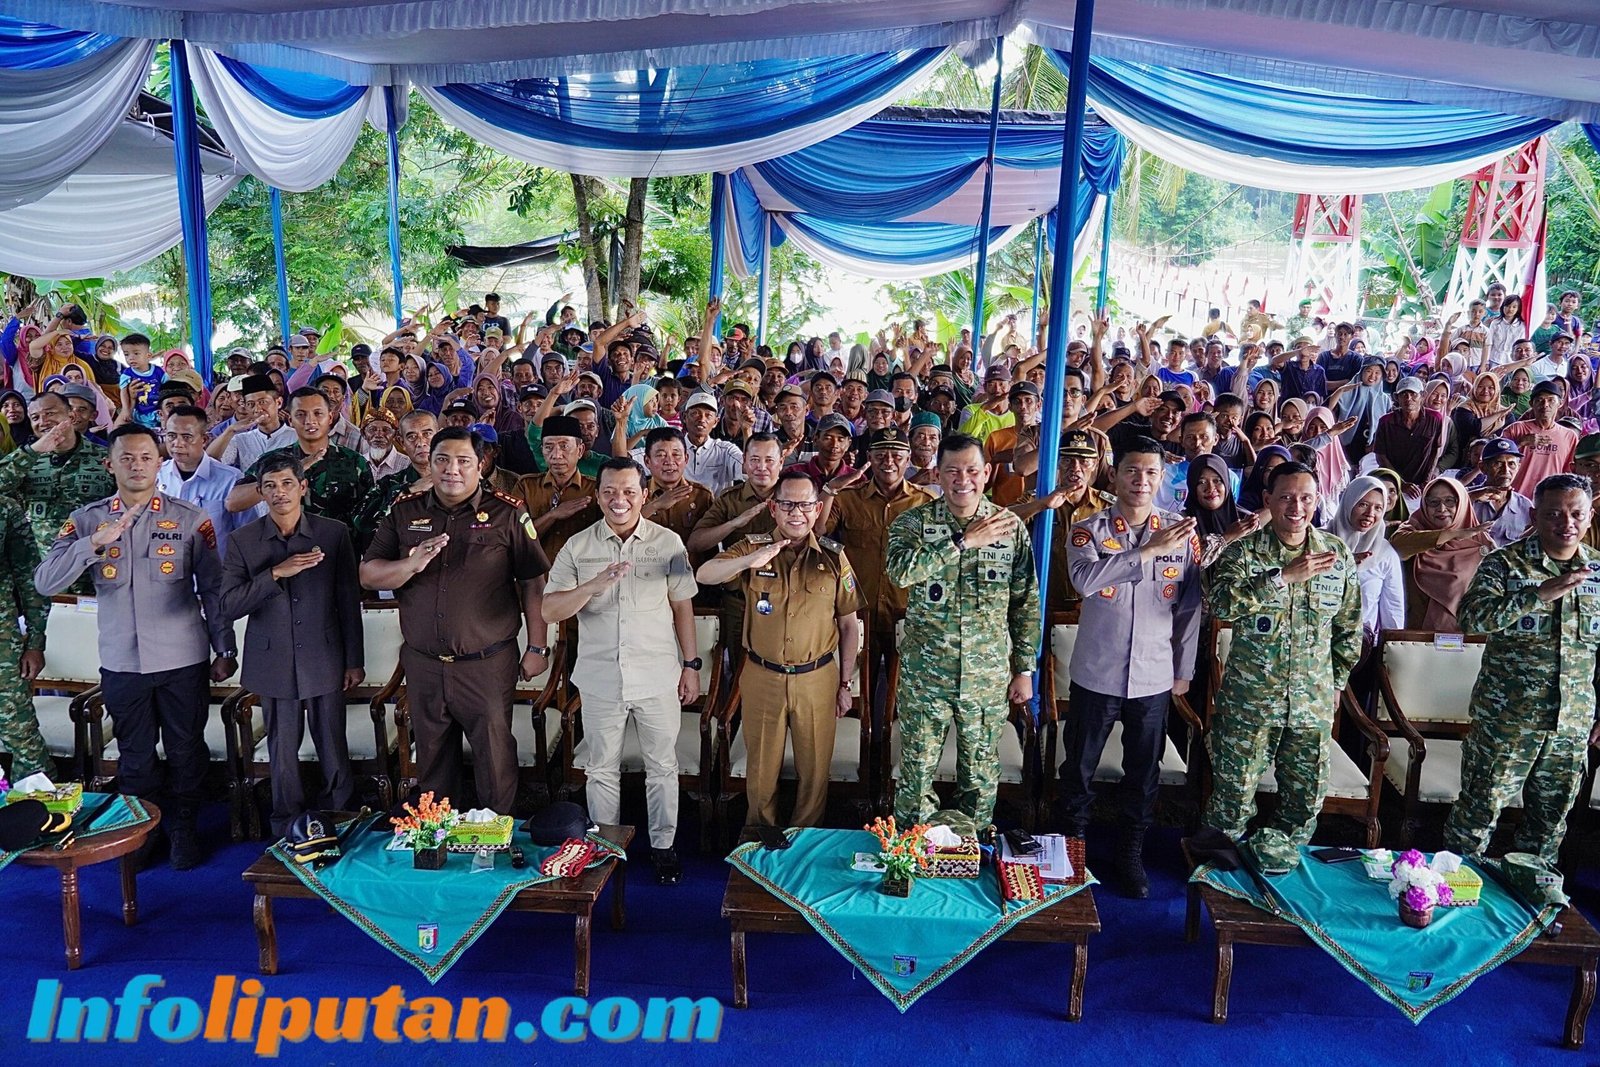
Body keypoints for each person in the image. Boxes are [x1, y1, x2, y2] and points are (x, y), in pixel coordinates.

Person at [34, 425, 236, 870]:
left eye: (146, 457)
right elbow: (45, 581)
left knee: (185, 748)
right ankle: (142, 830)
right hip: (122, 661)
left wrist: (225, 648)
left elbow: (214, 588)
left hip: (182, 656)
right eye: (127, 457)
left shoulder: (189, 518)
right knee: (135, 754)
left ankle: (184, 826)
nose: (137, 465)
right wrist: (92, 544)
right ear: (110, 465)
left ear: (159, 462)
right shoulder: (86, 519)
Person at [360, 427, 550, 815]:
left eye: (464, 461)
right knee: (431, 760)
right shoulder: (404, 511)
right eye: (442, 459)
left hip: (486, 662)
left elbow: (533, 582)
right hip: (424, 662)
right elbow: (368, 573)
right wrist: (410, 564)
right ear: (428, 464)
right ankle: (440, 842)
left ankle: (493, 845)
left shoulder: (508, 512)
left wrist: (537, 646)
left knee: (494, 758)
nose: (452, 470)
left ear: (481, 465)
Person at [542, 457, 699, 884]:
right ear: (597, 496)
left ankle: (663, 847)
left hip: (657, 675)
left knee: (663, 766)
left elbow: (682, 604)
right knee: (601, 768)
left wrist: (691, 665)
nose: (619, 500)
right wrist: (592, 586)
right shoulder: (578, 547)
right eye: (610, 491)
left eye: (630, 491)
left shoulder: (668, 543)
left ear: (645, 496)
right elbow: (550, 608)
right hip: (600, 678)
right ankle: (606, 848)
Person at [1060, 438, 1203, 897]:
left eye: (1150, 473)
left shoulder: (1181, 536)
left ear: (1161, 478)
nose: (1141, 481)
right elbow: (1083, 581)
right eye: (1131, 471)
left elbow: (1188, 608)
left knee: (1143, 772)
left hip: (1154, 675)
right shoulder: (1088, 531)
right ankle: (1073, 850)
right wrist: (1145, 552)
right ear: (1114, 474)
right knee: (1079, 767)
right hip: (1096, 672)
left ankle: (1130, 853)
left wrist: (1183, 668)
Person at [1202, 461, 1361, 873]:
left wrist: (1337, 682)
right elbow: (1220, 604)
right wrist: (1280, 578)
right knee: (1233, 799)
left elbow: (1349, 627)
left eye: (1305, 498)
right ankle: (1222, 886)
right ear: (1268, 500)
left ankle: (1282, 881)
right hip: (1250, 704)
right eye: (1286, 497)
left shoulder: (1336, 553)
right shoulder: (1245, 551)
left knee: (1305, 799)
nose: (1296, 507)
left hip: (1311, 704)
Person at [1442, 474, 1600, 865]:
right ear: (1534, 515)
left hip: (1570, 724)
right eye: (1554, 514)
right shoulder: (1504, 564)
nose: (1567, 523)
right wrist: (1538, 595)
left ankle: (1527, 899)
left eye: (1577, 513)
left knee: (1548, 824)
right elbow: (1473, 619)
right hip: (1507, 720)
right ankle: (1449, 899)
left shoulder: (1598, 571)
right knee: (1477, 816)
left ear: (1590, 515)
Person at [886, 433, 1041, 827]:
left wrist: (1024, 670)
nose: (962, 480)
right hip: (926, 676)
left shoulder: (1010, 528)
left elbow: (1025, 603)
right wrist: (962, 542)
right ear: (937, 473)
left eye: (972, 470)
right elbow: (900, 573)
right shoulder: (914, 523)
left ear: (987, 473)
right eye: (952, 471)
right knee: (917, 772)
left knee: (979, 775)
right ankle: (911, 856)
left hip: (985, 677)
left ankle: (971, 855)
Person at [695, 470, 860, 828]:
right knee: (761, 767)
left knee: (815, 769)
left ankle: (804, 839)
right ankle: (759, 836)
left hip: (817, 678)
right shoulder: (753, 546)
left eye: (804, 505)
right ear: (774, 507)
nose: (795, 513)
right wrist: (747, 562)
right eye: (787, 504)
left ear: (818, 509)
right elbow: (704, 574)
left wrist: (845, 684)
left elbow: (849, 625)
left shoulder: (833, 558)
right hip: (762, 675)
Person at [219, 454, 364, 837]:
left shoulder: (333, 533)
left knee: (333, 741)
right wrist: (275, 574)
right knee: (282, 748)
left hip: (325, 654)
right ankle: (287, 826)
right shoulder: (243, 540)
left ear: (303, 486)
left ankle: (341, 819)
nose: (279, 493)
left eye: (287, 483)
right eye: (269, 486)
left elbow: (348, 601)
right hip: (274, 659)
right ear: (260, 492)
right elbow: (227, 605)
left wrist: (354, 660)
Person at [228, 388, 374, 528]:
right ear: (290, 420)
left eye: (318, 413)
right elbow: (233, 503)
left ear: (329, 417)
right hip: (288, 550)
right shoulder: (272, 460)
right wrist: (289, 472)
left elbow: (368, 519)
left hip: (340, 549)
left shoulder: (355, 462)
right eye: (301, 414)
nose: (310, 420)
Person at [0, 390, 115, 556]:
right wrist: (34, 451)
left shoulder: (104, 456)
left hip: (93, 564)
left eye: (50, 413)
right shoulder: (25, 459)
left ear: (71, 416)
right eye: (35, 418)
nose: (43, 422)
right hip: (45, 565)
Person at [1392, 476, 1493, 631]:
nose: (1441, 509)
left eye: (1450, 501)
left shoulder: (1480, 538)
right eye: (1433, 502)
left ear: (1462, 503)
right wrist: (1453, 534)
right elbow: (1397, 547)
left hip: (1469, 636)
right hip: (1417, 637)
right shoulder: (1414, 528)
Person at [1324, 476, 1406, 643]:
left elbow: (1392, 607)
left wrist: (1390, 649)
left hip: (1362, 648)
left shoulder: (1385, 553)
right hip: (1317, 645)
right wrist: (1342, 565)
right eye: (1363, 504)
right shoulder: (1320, 542)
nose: (1370, 514)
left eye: (1378, 508)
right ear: (1348, 502)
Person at [0, 492, 47, 778]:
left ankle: (44, 813)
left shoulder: (5, 509)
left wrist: (36, 641)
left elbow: (31, 579)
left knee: (21, 736)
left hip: (2, 647)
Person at [157, 405, 243, 557]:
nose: (178, 443)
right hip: (165, 573)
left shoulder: (230, 479)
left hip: (214, 575)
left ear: (204, 439)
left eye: (187, 437)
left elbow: (245, 533)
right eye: (171, 436)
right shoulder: (155, 476)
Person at [517, 414, 596, 564]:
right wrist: (552, 515)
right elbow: (517, 538)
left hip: (580, 577)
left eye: (564, 446)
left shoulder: (595, 489)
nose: (556, 455)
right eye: (549, 447)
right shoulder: (526, 486)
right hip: (537, 576)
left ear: (580, 450)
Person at [1184, 453, 1264, 569]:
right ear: (1192, 486)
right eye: (1201, 482)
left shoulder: (1246, 520)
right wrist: (1226, 537)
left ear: (1226, 483)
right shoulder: (1183, 523)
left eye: (1217, 481)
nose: (1211, 489)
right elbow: (1186, 567)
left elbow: (1258, 565)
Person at [1502, 380, 1579, 496]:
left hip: (1551, 500)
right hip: (1515, 497)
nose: (1545, 405)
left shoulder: (1569, 436)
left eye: (1551, 400)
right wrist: (1519, 443)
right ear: (1531, 403)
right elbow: (1497, 461)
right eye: (1539, 400)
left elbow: (1569, 473)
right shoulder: (1515, 429)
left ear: (1560, 403)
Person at [1373, 377, 1443, 507]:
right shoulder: (1386, 422)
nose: (1408, 398)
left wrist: (1428, 478)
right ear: (1396, 397)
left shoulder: (1435, 419)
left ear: (1422, 396)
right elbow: (1381, 457)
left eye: (1413, 394)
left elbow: (1435, 450)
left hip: (1422, 482)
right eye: (1403, 394)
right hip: (1393, 481)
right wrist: (1401, 483)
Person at [209, 374, 297, 474]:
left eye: (263, 402)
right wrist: (230, 430)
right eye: (251, 404)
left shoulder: (296, 437)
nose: (258, 409)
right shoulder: (240, 440)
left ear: (279, 402)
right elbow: (209, 463)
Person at [1468, 438, 1534, 548]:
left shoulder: (1525, 506)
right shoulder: (1465, 497)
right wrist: (1470, 498)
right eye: (1498, 463)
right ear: (1483, 468)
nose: (1506, 470)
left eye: (1511, 464)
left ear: (1518, 468)